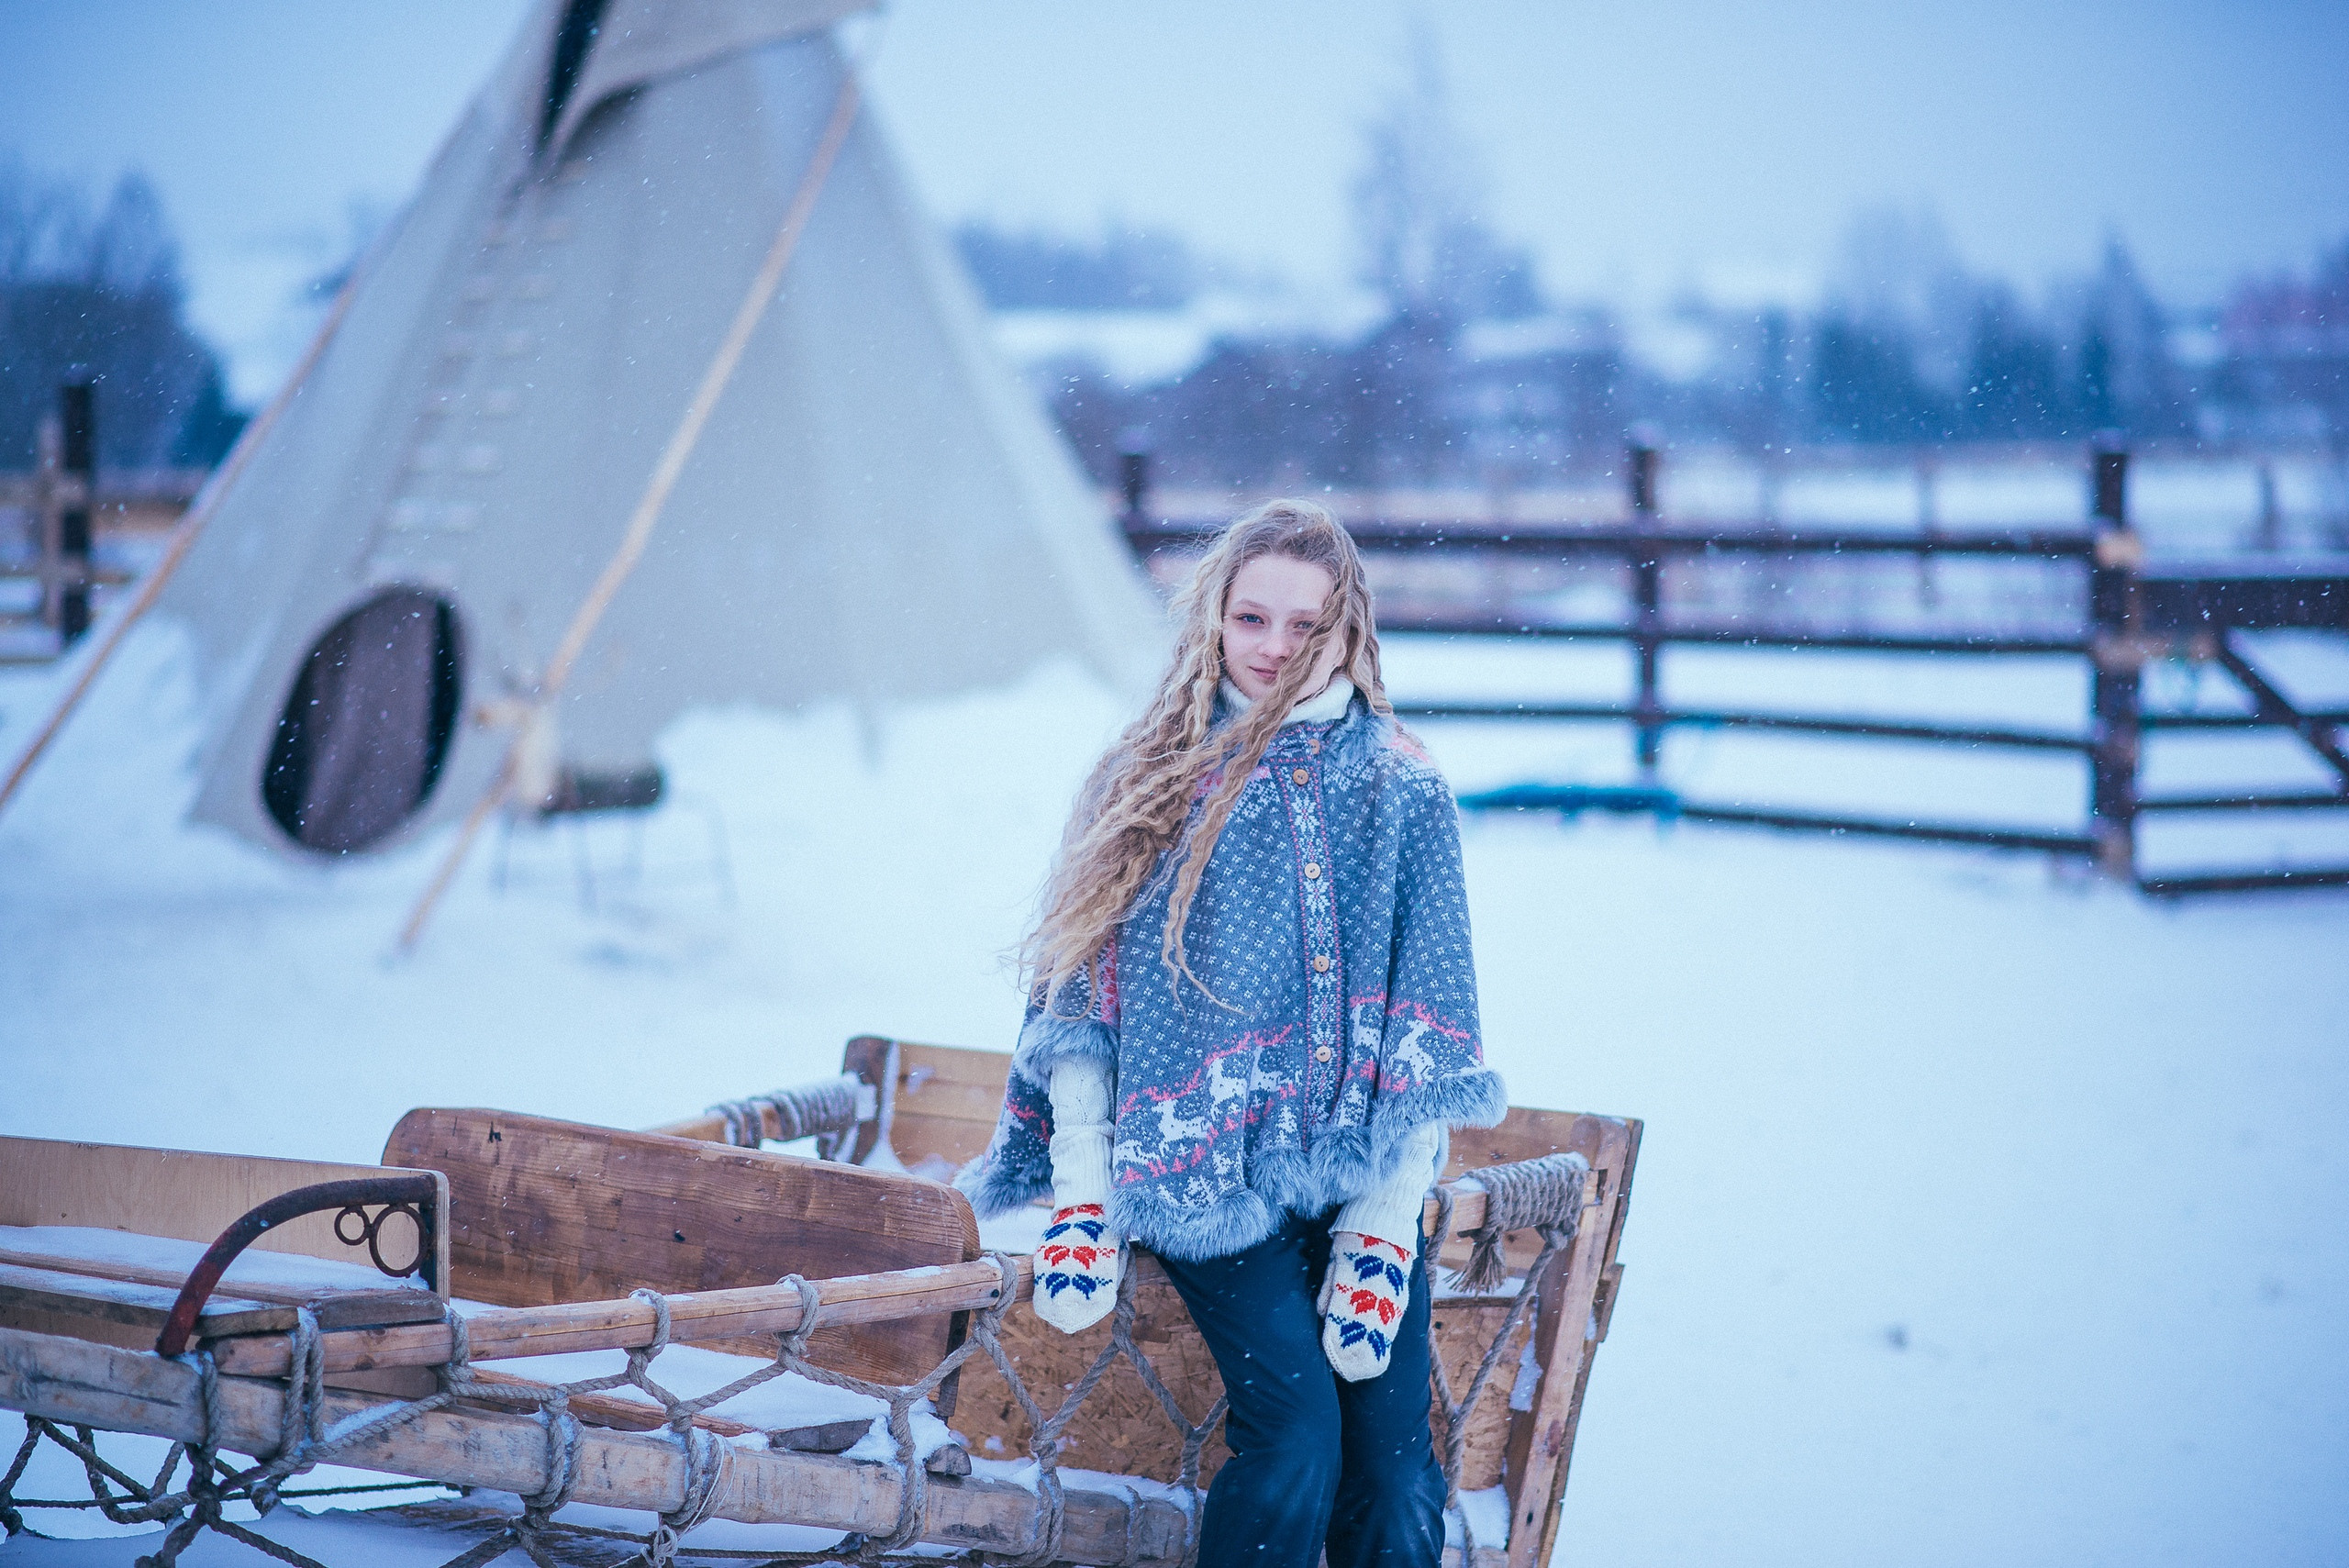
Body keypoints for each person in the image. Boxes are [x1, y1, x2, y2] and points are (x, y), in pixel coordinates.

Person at [959, 499, 1506, 1567]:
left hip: (1354, 1174)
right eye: (1251, 618)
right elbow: (1080, 1006)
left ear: (1350, 627)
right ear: (1213, 617)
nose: (1273, 648)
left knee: (1396, 1477)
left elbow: (1427, 1025)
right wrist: (1085, 1186)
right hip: (1200, 1175)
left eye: (1305, 625)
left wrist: (1384, 1222)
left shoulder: (1400, 783)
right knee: (1297, 1438)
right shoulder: (1147, 776)